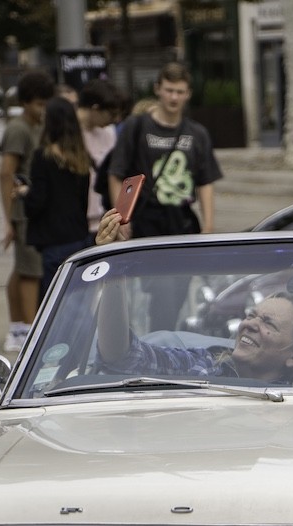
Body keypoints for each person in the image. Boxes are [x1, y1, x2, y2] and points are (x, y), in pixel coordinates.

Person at [95, 209, 293, 384]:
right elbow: (122, 356)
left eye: (268, 323)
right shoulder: (205, 366)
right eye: (252, 315)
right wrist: (115, 271)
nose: (249, 324)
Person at [106, 62, 222, 330]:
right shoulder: (137, 127)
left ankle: (165, 334)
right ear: (158, 89)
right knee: (157, 290)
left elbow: (205, 182)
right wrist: (121, 218)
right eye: (169, 90)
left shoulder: (197, 133)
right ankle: (157, 335)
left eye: (180, 92)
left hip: (181, 222)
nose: (174, 97)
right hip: (146, 221)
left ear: (188, 94)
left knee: (177, 288)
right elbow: (117, 175)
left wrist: (208, 227)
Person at [0, 69, 55, 351]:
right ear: (26, 102)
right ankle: (29, 330)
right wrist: (9, 218)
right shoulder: (18, 129)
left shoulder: (37, 127)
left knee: (22, 270)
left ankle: (18, 327)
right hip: (23, 210)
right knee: (30, 271)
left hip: (34, 207)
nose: (43, 110)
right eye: (38, 104)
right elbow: (6, 173)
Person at [24, 97, 91, 300]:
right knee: (79, 299)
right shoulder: (81, 158)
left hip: (53, 240)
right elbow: (83, 200)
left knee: (54, 302)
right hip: (79, 236)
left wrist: (25, 195)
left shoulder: (43, 157)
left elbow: (38, 201)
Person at [76, 78, 124, 236]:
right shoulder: (70, 132)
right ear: (96, 109)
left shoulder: (109, 132)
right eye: (112, 114)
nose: (115, 119)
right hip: (77, 220)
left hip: (104, 217)